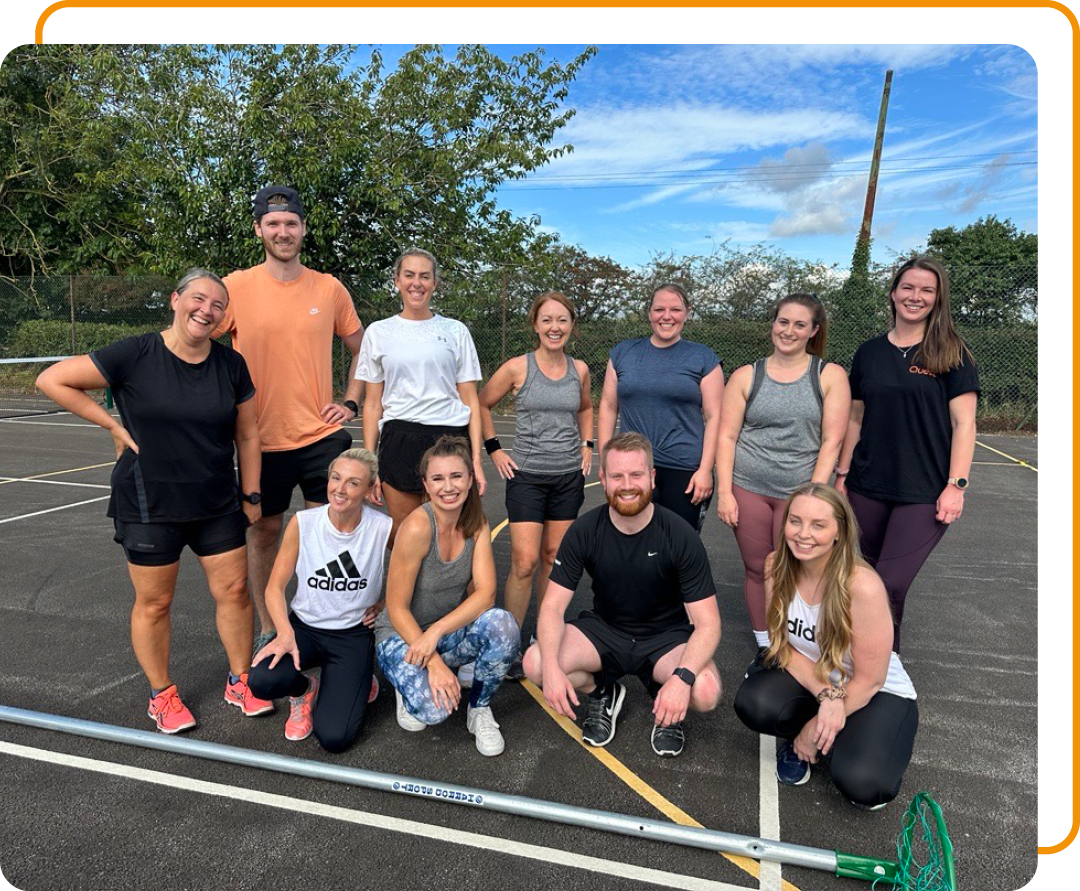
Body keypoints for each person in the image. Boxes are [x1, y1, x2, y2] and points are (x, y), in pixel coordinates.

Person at [36, 269, 271, 732]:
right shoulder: (136, 352)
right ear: (175, 299)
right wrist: (111, 425)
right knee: (155, 604)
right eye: (198, 299)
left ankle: (240, 679)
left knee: (236, 593)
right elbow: (53, 380)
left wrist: (252, 494)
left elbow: (248, 433)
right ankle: (161, 694)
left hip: (216, 502)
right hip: (148, 504)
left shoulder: (230, 365)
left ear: (224, 317)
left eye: (218, 305)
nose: (206, 309)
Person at [215, 185, 366, 652]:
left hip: (322, 437)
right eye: (273, 224)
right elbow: (196, 341)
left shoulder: (329, 288)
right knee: (264, 535)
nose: (283, 232)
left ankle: (323, 624)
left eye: (291, 223)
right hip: (261, 442)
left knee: (331, 536)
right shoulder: (234, 287)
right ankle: (269, 625)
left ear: (303, 228)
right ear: (259, 229)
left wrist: (352, 401)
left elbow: (365, 351)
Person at [523, 432, 721, 758]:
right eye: (617, 476)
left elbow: (709, 623)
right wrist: (555, 675)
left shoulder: (680, 535)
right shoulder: (585, 530)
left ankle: (666, 697)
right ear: (602, 479)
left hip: (665, 637)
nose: (627, 485)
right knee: (536, 663)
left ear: (652, 477)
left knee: (705, 690)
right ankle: (604, 691)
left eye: (636, 475)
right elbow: (552, 608)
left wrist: (681, 680)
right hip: (606, 631)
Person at [733, 483, 919, 810]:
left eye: (818, 525)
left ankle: (841, 738)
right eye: (795, 521)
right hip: (818, 678)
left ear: (839, 532)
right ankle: (825, 733)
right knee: (755, 702)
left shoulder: (862, 586)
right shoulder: (776, 566)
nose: (803, 534)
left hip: (875, 690)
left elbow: (870, 679)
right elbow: (782, 645)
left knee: (865, 784)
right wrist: (826, 696)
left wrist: (811, 730)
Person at [835, 257, 979, 651]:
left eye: (926, 290)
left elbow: (964, 424)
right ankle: (864, 665)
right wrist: (842, 474)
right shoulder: (869, 353)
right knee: (859, 581)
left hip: (925, 491)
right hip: (868, 485)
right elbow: (855, 418)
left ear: (938, 299)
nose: (915, 297)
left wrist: (957, 485)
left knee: (890, 584)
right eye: (908, 288)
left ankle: (881, 674)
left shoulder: (953, 352)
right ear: (894, 293)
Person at [715, 294, 850, 654]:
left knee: (801, 571)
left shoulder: (829, 375)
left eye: (799, 324)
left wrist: (813, 498)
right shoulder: (747, 375)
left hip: (799, 493)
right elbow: (726, 436)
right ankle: (767, 645)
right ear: (773, 325)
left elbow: (832, 440)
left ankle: (801, 643)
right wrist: (725, 493)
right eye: (783, 322)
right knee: (759, 568)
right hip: (749, 488)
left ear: (813, 331)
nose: (788, 331)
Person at [375, 436, 518, 757]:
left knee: (503, 625)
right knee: (431, 712)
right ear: (425, 484)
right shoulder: (417, 527)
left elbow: (486, 594)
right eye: (437, 478)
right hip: (401, 635)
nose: (447, 486)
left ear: (470, 479)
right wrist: (434, 663)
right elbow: (396, 609)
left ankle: (478, 709)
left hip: (440, 634)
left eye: (456, 476)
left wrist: (436, 635)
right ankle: (408, 683)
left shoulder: (477, 524)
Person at [248, 448, 392, 753]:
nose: (340, 489)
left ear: (369, 490)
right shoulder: (304, 522)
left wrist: (386, 604)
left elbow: (415, 566)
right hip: (305, 629)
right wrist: (284, 634)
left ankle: (359, 679)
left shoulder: (382, 527)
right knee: (262, 680)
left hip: (352, 635)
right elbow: (274, 588)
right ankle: (304, 690)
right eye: (336, 478)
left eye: (353, 483)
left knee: (334, 739)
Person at [478, 291, 593, 659]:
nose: (554, 327)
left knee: (553, 557)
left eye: (562, 320)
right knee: (524, 563)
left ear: (572, 326)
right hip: (527, 476)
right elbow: (481, 403)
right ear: (535, 325)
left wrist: (587, 446)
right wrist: (494, 449)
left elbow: (587, 408)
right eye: (547, 320)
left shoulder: (580, 370)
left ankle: (543, 638)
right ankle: (507, 644)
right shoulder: (518, 368)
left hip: (566, 478)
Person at [356, 248, 486, 547]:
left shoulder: (455, 331)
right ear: (397, 281)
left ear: (434, 283)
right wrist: (370, 462)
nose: (417, 283)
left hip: (449, 439)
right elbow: (373, 402)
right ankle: (408, 596)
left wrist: (476, 460)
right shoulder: (378, 332)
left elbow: (470, 400)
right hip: (399, 437)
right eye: (410, 275)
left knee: (453, 536)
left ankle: (460, 595)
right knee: (406, 538)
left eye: (425, 276)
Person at [598, 284, 723, 533]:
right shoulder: (623, 353)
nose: (667, 316)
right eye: (659, 309)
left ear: (687, 313)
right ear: (649, 313)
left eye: (675, 309)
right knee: (630, 540)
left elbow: (715, 416)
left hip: (684, 470)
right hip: (633, 467)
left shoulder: (703, 358)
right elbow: (608, 407)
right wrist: (605, 462)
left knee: (677, 547)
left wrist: (706, 470)